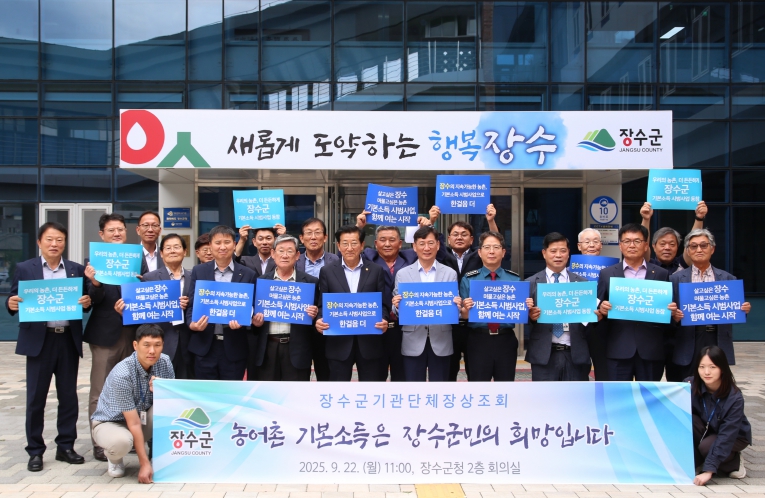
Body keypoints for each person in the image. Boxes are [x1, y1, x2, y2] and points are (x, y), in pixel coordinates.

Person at [5, 222, 91, 471]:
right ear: (39, 242)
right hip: (39, 342)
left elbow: (86, 301)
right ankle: (35, 451)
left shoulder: (75, 270)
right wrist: (11, 304)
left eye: (59, 240)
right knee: (36, 399)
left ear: (65, 242)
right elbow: (14, 298)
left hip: (67, 340)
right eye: (50, 239)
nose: (54, 244)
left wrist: (87, 301)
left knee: (68, 397)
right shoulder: (25, 268)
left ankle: (66, 446)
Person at [83, 213, 146, 462]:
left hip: (133, 333)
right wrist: (95, 283)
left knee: (131, 388)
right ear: (102, 234)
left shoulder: (137, 259)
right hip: (104, 335)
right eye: (111, 230)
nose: (117, 233)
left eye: (120, 229)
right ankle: (100, 442)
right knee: (100, 390)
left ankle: (127, 437)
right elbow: (91, 301)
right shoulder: (93, 263)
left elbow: (146, 293)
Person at [91, 324, 175, 482]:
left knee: (168, 407)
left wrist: (162, 390)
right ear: (135, 345)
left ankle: (160, 457)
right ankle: (114, 458)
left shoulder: (165, 362)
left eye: (157, 345)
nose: (152, 351)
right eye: (146, 345)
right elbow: (134, 423)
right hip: (111, 422)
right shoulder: (123, 373)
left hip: (140, 418)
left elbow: (173, 401)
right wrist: (144, 464)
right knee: (122, 442)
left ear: (163, 345)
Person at [670, 229, 752, 380]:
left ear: (712, 249)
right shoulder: (675, 279)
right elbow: (669, 315)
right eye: (693, 246)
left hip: (717, 337)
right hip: (688, 340)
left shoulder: (728, 279)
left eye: (703, 245)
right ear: (687, 251)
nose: (699, 250)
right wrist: (674, 317)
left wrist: (743, 310)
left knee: (717, 384)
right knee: (688, 385)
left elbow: (734, 311)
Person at [315, 225, 389, 381]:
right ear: (338, 246)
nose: (349, 248)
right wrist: (319, 319)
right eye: (345, 243)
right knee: (338, 389)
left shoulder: (376, 270)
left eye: (354, 243)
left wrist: (384, 319)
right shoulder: (327, 271)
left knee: (370, 389)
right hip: (338, 343)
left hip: (369, 343)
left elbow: (383, 304)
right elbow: (322, 304)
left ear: (362, 245)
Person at [597, 223, 670, 381]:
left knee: (648, 395)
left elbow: (668, 312)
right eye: (627, 241)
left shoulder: (661, 274)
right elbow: (597, 311)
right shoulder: (607, 274)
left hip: (650, 349)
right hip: (618, 348)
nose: (632, 245)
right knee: (618, 395)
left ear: (645, 245)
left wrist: (670, 310)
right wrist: (601, 308)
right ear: (620, 245)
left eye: (637, 241)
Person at [435, 205, 500, 381]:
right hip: (449, 323)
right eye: (455, 234)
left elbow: (495, 242)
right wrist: (432, 220)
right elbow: (427, 242)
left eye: (464, 234)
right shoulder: (441, 255)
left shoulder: (479, 255)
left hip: (474, 323)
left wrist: (490, 221)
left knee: (476, 370)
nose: (459, 237)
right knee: (448, 371)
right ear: (448, 239)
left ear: (472, 240)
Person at [355, 212, 423, 382]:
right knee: (374, 379)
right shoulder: (367, 259)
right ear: (375, 243)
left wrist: (426, 228)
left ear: (400, 243)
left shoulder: (411, 258)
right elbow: (348, 252)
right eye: (383, 240)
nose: (387, 244)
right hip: (376, 328)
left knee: (403, 378)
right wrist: (358, 228)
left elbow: (437, 253)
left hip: (405, 329)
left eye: (392, 240)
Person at [185, 225, 257, 380]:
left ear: (234, 244)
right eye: (218, 243)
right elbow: (191, 305)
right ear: (210, 246)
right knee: (206, 392)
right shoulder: (199, 271)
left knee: (231, 392)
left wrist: (245, 321)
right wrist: (192, 324)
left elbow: (252, 307)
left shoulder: (248, 274)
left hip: (234, 348)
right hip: (204, 346)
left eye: (227, 242)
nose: (222, 247)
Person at [116, 234, 192, 379]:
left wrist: (187, 305)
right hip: (161, 342)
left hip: (188, 343)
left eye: (177, 247)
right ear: (161, 254)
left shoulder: (193, 277)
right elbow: (142, 313)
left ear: (184, 251)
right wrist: (124, 312)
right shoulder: (149, 278)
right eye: (168, 248)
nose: (172, 251)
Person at [392, 226, 460, 381]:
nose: (426, 248)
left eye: (430, 243)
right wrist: (396, 306)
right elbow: (398, 311)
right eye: (422, 244)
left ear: (438, 245)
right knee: (414, 388)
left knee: (440, 388)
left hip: (441, 339)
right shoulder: (403, 274)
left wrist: (457, 305)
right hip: (413, 339)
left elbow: (453, 310)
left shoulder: (450, 273)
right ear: (414, 246)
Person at [525, 232, 594, 381]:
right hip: (544, 355)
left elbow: (589, 320)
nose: (558, 255)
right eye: (553, 251)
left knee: (576, 395)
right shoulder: (530, 283)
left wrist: (596, 313)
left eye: (563, 251)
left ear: (568, 253)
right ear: (544, 253)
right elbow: (522, 318)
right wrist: (531, 316)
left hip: (575, 354)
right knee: (544, 395)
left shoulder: (582, 283)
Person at [250, 235, 319, 381]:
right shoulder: (261, 282)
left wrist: (314, 315)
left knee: (296, 393)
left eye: (290, 251)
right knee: (268, 392)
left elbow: (317, 320)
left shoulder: (310, 282)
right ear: (273, 253)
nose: (285, 255)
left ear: (297, 255)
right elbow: (252, 316)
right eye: (281, 251)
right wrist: (255, 323)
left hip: (297, 350)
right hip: (268, 348)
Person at [459, 231, 521, 382]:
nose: (491, 251)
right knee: (478, 386)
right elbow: (464, 315)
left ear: (503, 252)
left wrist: (526, 307)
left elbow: (520, 311)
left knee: (506, 386)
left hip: (506, 339)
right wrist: (465, 309)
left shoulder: (514, 280)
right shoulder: (469, 279)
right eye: (487, 247)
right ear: (480, 252)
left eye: (496, 247)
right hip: (478, 339)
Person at [690, 346, 751, 485]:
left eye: (712, 367)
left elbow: (727, 435)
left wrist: (708, 471)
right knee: (689, 420)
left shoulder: (734, 397)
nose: (706, 372)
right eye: (702, 367)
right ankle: (705, 459)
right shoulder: (690, 385)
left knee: (706, 447)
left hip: (734, 435)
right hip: (708, 428)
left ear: (722, 368)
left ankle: (734, 461)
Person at [296, 218, 339, 382]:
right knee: (299, 374)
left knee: (326, 373)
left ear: (325, 237)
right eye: (309, 233)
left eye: (317, 233)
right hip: (300, 326)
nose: (313, 237)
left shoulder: (337, 261)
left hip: (327, 324)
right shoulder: (294, 261)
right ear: (301, 238)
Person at [576, 228, 609, 381]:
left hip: (602, 327)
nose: (591, 245)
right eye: (587, 242)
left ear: (601, 245)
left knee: (604, 373)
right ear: (579, 246)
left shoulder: (611, 270)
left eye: (595, 242)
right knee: (579, 372)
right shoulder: (570, 270)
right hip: (577, 327)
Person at [640, 201, 707, 275]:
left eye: (672, 244)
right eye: (662, 244)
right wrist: (646, 219)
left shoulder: (682, 263)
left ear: (677, 246)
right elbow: (642, 244)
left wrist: (699, 218)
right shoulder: (647, 264)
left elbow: (694, 240)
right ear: (654, 246)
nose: (667, 248)